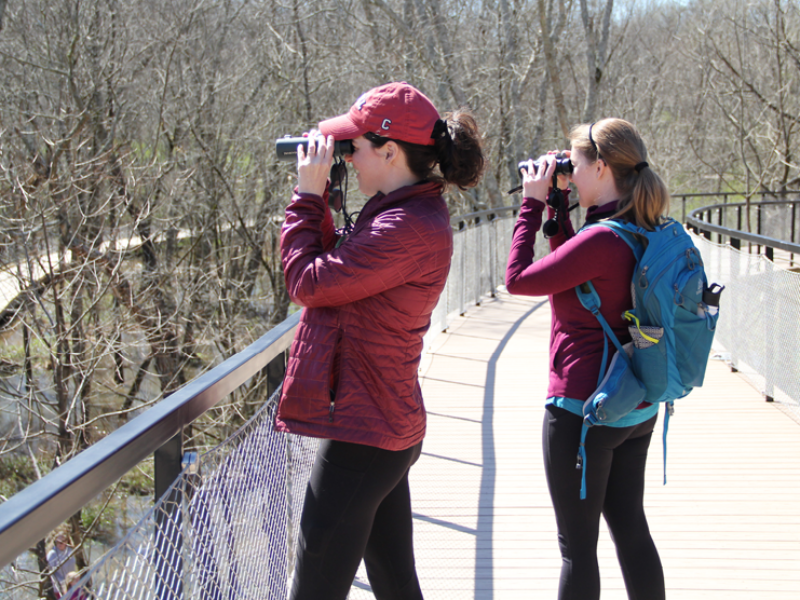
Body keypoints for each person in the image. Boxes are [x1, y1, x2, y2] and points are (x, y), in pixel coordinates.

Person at [274, 81, 486, 600]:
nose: (347, 155)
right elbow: (334, 275)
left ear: (390, 151)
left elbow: (307, 283)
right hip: (380, 422)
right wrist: (323, 197)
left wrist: (306, 196)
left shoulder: (405, 227)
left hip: (367, 433)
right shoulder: (401, 212)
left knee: (314, 586)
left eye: (354, 147)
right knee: (394, 582)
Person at [505, 118, 666, 600]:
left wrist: (531, 204)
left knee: (577, 550)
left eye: (574, 166)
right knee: (631, 531)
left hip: (582, 409)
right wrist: (558, 204)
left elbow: (518, 279)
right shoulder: (641, 228)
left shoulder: (601, 240)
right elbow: (579, 277)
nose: (569, 174)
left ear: (600, 167)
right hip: (634, 403)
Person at [46, 533, 76, 598]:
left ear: (66, 541)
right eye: (58, 542)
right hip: (60, 587)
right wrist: (63, 585)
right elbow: (52, 573)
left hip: (72, 585)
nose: (60, 544)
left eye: (62, 542)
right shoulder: (52, 554)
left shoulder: (70, 551)